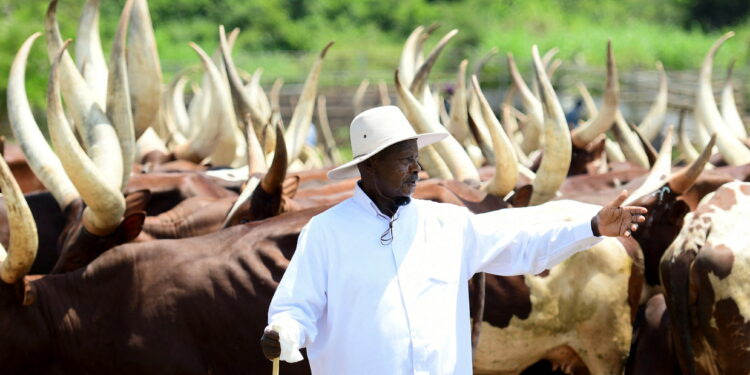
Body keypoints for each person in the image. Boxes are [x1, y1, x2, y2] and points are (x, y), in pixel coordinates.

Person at [260, 105, 647, 374]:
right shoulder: (327, 233)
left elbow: (524, 239)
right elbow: (295, 308)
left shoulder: (446, 224)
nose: (417, 168)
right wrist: (285, 334)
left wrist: (592, 227)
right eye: (404, 160)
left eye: (417, 158)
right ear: (369, 164)